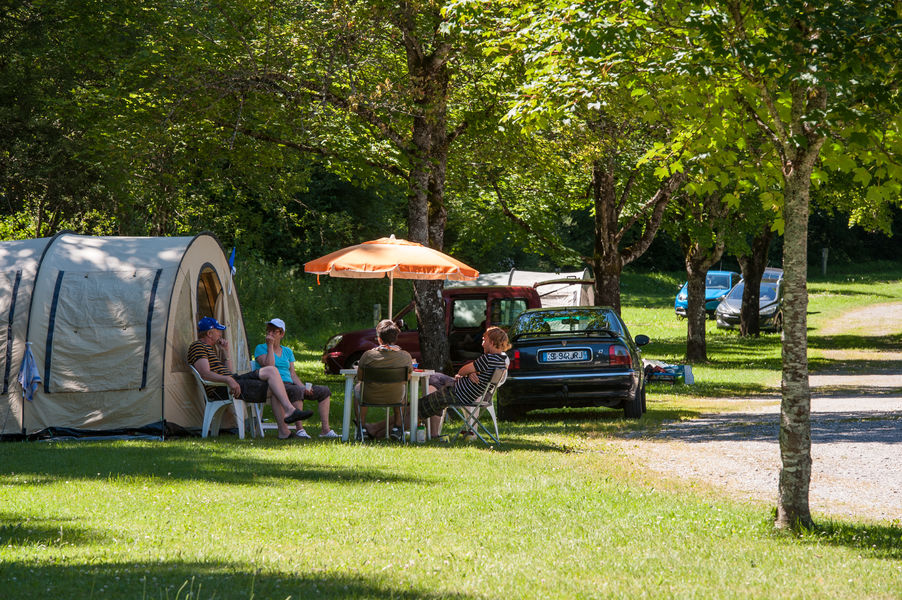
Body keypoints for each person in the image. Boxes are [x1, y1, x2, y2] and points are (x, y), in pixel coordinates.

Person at [188, 316, 312, 426]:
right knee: (276, 388)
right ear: (210, 333)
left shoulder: (210, 349)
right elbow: (205, 374)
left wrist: (226, 352)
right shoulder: (198, 346)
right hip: (221, 388)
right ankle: (287, 423)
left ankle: (290, 412)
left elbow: (228, 372)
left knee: (271, 370)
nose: (221, 333)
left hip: (232, 380)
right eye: (218, 330)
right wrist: (228, 379)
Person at [254, 318, 338, 440]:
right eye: (268, 331)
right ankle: (300, 429)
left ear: (281, 334)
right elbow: (269, 366)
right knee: (296, 391)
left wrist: (303, 387)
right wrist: (270, 346)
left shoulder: (287, 351)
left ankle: (325, 430)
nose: (270, 334)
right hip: (274, 385)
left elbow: (292, 374)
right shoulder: (261, 348)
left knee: (324, 391)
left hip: (290, 383)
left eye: (274, 331)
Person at [419, 326, 510, 437]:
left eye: (484, 340)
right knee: (435, 380)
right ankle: (431, 432)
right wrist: (472, 372)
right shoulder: (501, 362)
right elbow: (474, 373)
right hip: (464, 391)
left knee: (425, 398)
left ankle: (403, 427)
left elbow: (462, 370)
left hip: (458, 393)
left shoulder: (488, 359)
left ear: (491, 342)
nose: (482, 343)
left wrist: (468, 372)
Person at [356, 319, 412, 440]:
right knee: (400, 388)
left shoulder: (368, 355)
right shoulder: (406, 356)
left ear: (379, 338)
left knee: (358, 389)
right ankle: (397, 427)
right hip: (395, 397)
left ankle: (361, 427)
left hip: (369, 396)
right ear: (395, 338)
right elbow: (407, 378)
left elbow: (360, 377)